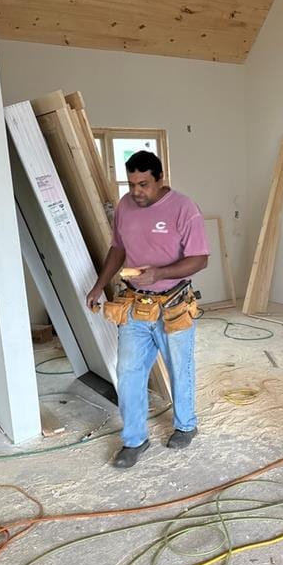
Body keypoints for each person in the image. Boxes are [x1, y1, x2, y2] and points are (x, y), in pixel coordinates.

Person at [86, 151, 209, 468]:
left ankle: (185, 426)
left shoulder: (184, 209)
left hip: (173, 303)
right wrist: (100, 285)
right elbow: (118, 249)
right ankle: (134, 439)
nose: (136, 191)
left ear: (160, 179)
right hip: (135, 304)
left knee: (179, 368)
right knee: (128, 372)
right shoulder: (125, 207)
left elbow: (200, 259)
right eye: (131, 184)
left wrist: (161, 274)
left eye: (144, 184)